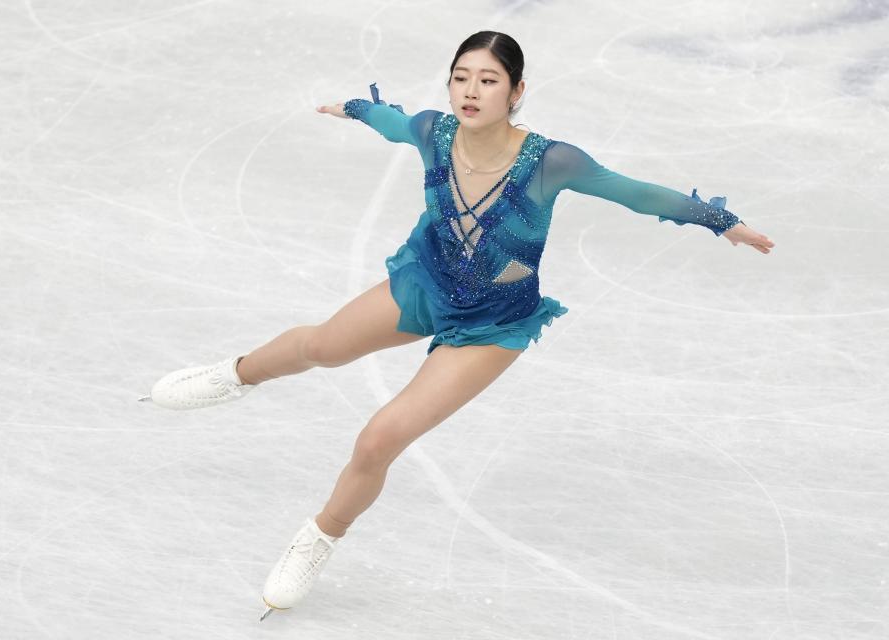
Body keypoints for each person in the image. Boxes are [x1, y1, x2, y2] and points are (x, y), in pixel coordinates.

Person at [139, 31, 775, 621]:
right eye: (461, 78)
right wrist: (358, 109)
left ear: (516, 92)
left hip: (492, 326)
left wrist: (720, 221)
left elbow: (635, 193)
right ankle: (232, 376)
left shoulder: (551, 162)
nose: (471, 91)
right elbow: (394, 124)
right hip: (426, 282)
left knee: (377, 440)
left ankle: (320, 536)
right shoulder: (435, 133)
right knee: (320, 347)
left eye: (489, 80)